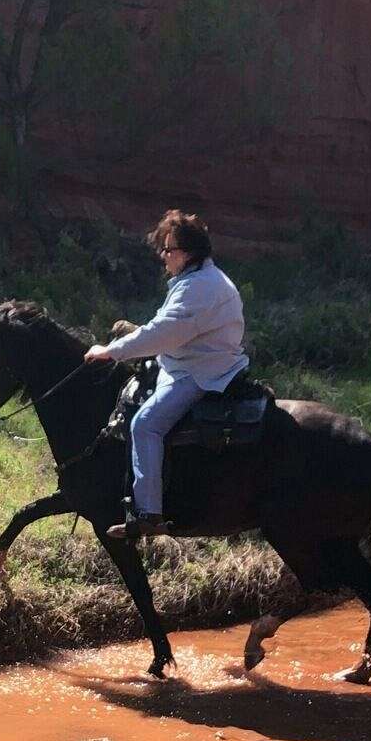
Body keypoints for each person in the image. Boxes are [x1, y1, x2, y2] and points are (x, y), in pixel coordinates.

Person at [84, 209, 249, 538]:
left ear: (187, 253)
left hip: (199, 372)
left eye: (169, 249)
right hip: (189, 362)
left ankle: (149, 513)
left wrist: (111, 351)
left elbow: (162, 333)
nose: (164, 256)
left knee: (145, 424)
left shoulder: (199, 287)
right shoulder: (197, 280)